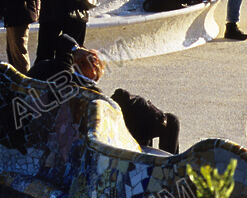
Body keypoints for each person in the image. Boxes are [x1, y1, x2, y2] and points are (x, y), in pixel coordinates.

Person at [30, 33, 181, 153]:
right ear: (93, 70)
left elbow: (63, 39)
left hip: (35, 131)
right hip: (74, 143)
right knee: (169, 120)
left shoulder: (46, 68)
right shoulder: (90, 93)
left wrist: (76, 50)